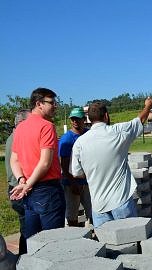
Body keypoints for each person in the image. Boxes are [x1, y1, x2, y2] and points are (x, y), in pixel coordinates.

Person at [71, 97, 152, 228]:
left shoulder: (79, 143)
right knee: (130, 240)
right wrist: (148, 106)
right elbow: (140, 120)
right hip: (121, 201)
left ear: (89, 119)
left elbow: (76, 173)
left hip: (98, 206)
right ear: (106, 115)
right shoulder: (118, 132)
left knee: (106, 245)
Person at [10, 87, 66, 241]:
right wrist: (27, 184)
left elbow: (14, 160)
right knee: (53, 241)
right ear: (39, 103)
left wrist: (22, 180)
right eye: (52, 102)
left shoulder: (20, 127)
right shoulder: (46, 126)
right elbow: (45, 162)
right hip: (47, 190)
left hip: (29, 192)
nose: (55, 106)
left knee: (33, 240)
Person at [58, 107, 92, 227]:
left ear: (84, 119)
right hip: (72, 182)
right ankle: (74, 237)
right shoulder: (67, 140)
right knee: (72, 214)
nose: (75, 122)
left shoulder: (89, 134)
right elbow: (63, 164)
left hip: (88, 181)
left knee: (93, 211)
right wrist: (72, 183)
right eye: (73, 119)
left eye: (77, 119)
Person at [5, 109, 31, 255]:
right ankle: (25, 260)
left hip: (15, 188)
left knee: (25, 228)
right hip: (19, 190)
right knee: (27, 230)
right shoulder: (18, 139)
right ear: (22, 123)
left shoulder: (12, 137)